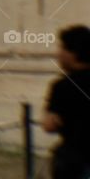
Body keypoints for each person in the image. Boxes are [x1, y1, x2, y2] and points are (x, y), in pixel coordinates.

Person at [44, 25, 90, 179]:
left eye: (62, 48)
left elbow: (49, 125)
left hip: (75, 161)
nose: (59, 54)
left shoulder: (62, 86)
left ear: (73, 53)